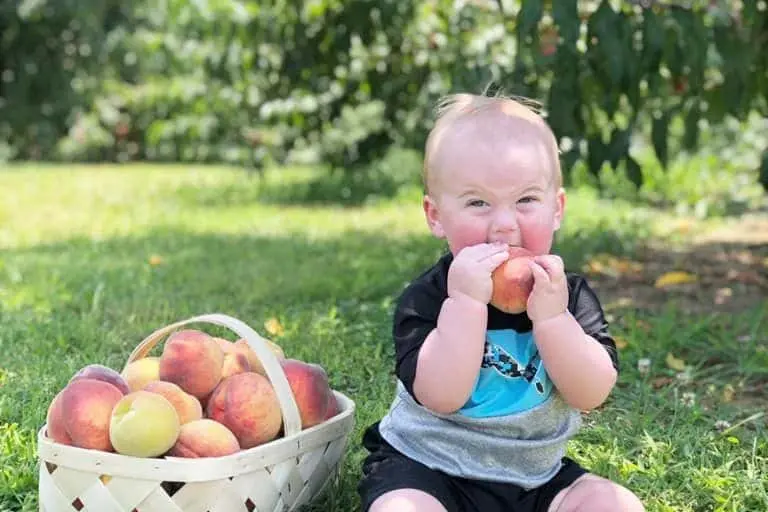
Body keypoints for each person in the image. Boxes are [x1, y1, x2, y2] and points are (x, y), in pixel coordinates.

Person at [357, 92, 645, 512]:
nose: (504, 226)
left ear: (557, 208)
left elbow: (591, 392)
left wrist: (552, 320)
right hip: (429, 469)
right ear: (436, 216)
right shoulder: (430, 297)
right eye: (478, 203)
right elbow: (441, 395)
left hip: (536, 478)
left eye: (526, 200)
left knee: (613, 504)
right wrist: (466, 305)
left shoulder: (565, 295)